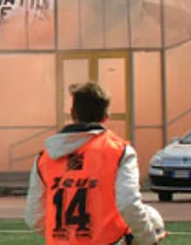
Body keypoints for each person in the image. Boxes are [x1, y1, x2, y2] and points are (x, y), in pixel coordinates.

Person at [25, 83, 165, 244]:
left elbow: (34, 217)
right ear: (106, 116)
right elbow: (128, 203)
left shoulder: (45, 157)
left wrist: (69, 237)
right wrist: (146, 238)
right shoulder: (119, 151)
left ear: (72, 113)